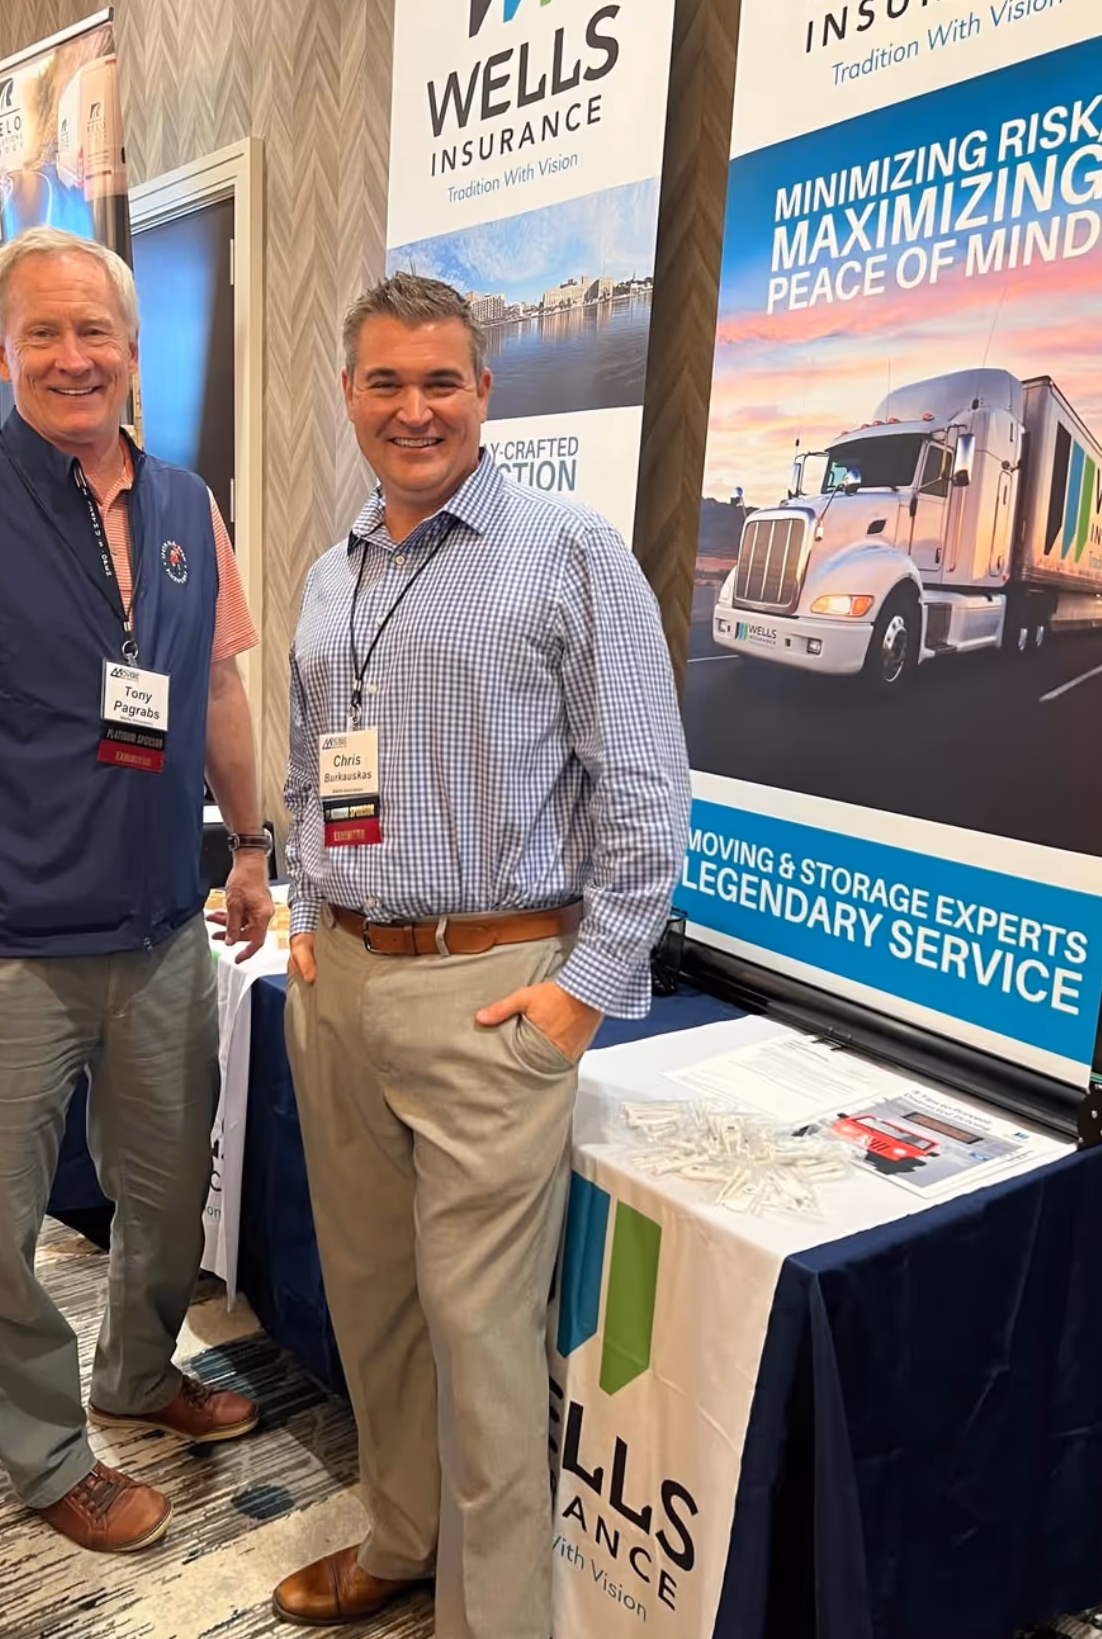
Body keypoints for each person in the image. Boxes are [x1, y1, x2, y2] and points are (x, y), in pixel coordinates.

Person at [271, 276, 690, 1635]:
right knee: (373, 1304)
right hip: (340, 981)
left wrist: (579, 995)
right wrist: (302, 905)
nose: (412, 408)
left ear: (483, 394)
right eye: (384, 382)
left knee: (484, 1346)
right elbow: (303, 761)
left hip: (489, 992)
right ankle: (399, 1537)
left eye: (439, 381)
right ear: (348, 394)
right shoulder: (334, 572)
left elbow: (643, 794)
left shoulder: (565, 549)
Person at [0, 227, 274, 1554]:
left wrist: (252, 846)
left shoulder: (189, 508)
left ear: (134, 351)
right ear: (3, 352)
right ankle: (42, 1454)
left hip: (158, 933)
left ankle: (136, 1373)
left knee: (163, 1188)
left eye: (97, 332)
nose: (75, 355)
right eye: (45, 333)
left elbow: (209, 685)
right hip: (0, 947)